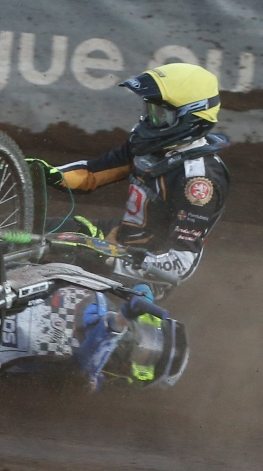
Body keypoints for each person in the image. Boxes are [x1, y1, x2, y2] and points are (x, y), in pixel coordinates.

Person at [27, 62, 230, 298]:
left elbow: (180, 264)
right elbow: (91, 174)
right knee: (27, 233)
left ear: (189, 117)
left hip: (144, 275)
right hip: (116, 238)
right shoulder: (148, 147)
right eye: (150, 110)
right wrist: (47, 173)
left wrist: (108, 259)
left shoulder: (199, 180)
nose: (150, 120)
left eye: (160, 114)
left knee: (45, 284)